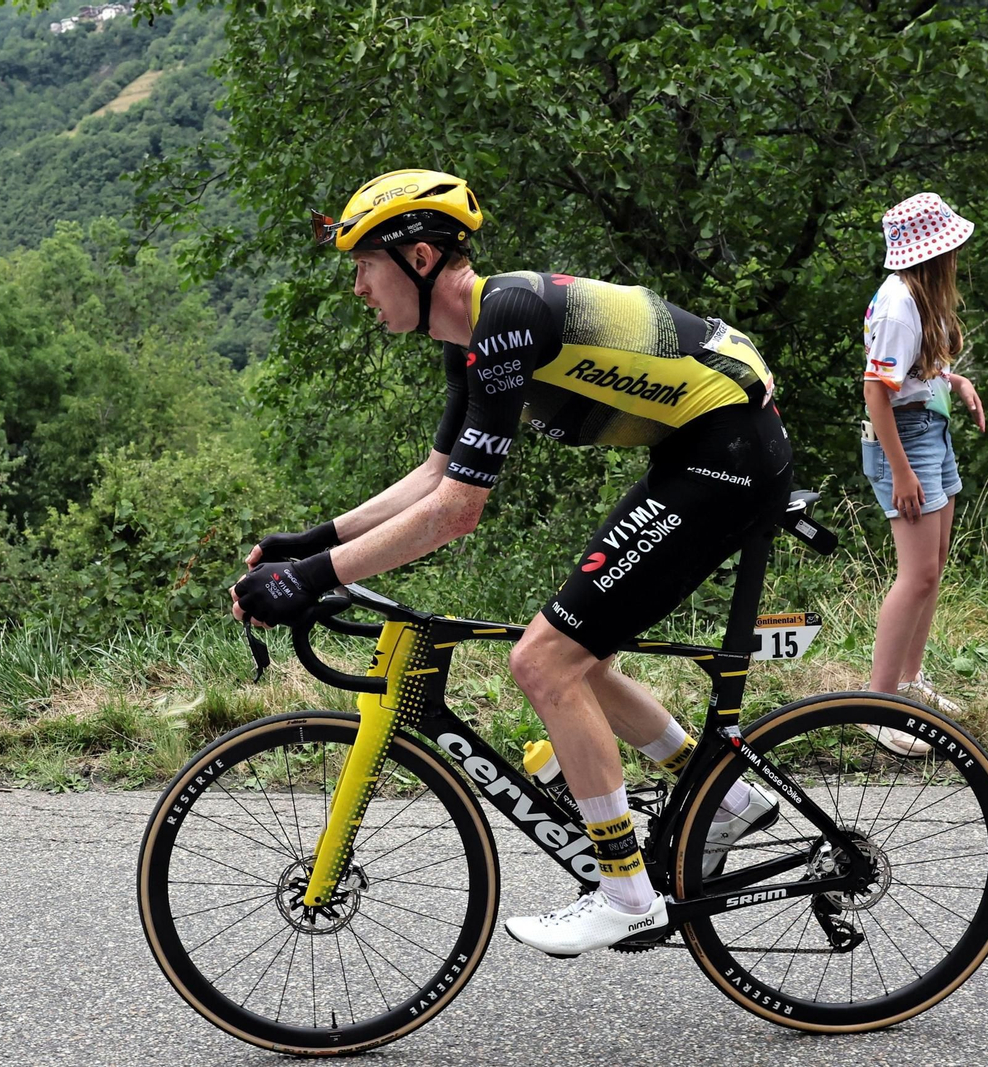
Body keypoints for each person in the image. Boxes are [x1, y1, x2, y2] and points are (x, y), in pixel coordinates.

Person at [229, 170, 794, 956]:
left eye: (364, 265)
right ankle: (725, 798)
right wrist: (311, 543)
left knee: (545, 663)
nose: (358, 287)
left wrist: (312, 579)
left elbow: (458, 511)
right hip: (704, 449)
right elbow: (433, 477)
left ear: (420, 258)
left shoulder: (507, 322)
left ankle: (628, 894)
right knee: (572, 648)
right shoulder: (475, 337)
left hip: (728, 455)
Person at [861, 193, 986, 756]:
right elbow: (876, 393)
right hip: (903, 440)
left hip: (929, 428)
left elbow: (916, 370)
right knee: (913, 577)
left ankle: (910, 685)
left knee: (931, 570)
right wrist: (901, 472)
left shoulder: (921, 294)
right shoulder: (897, 305)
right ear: (933, 253)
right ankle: (877, 706)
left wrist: (953, 380)